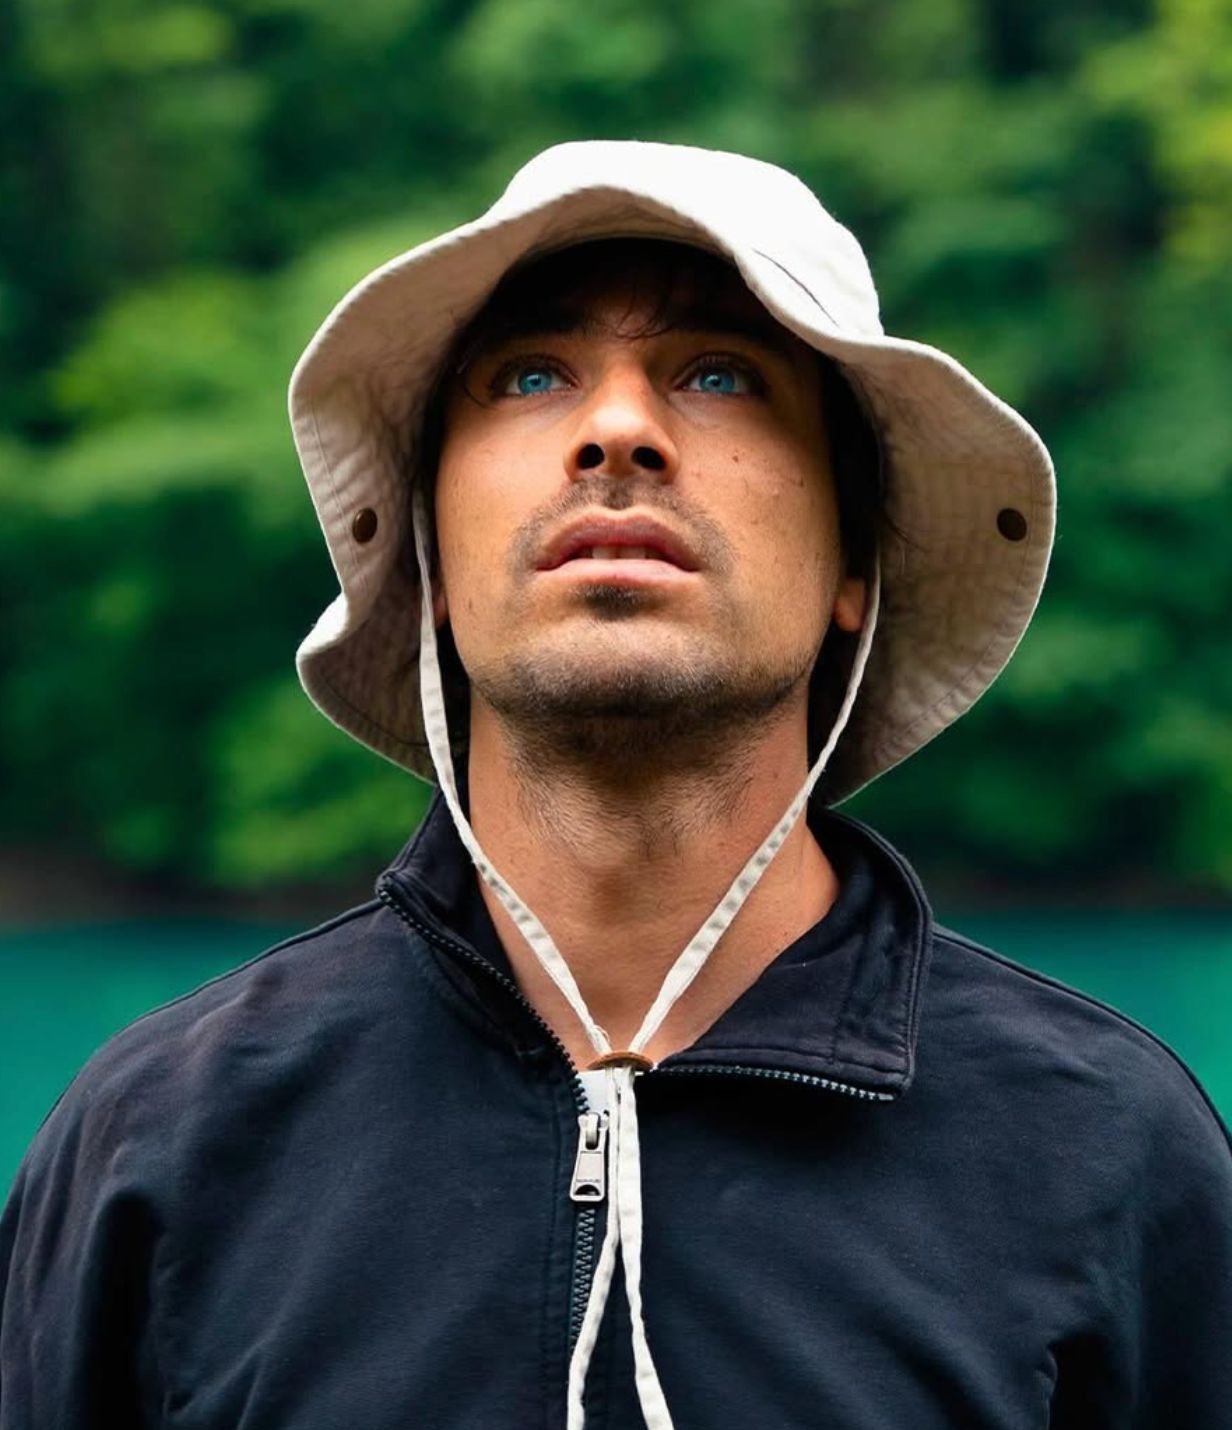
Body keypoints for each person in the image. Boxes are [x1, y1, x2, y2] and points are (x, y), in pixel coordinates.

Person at [2, 140, 1230, 1429]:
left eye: (721, 373)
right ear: (423, 554)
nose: (619, 431)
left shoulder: (1101, 1147)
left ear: (855, 564)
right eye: (531, 376)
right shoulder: (165, 1144)